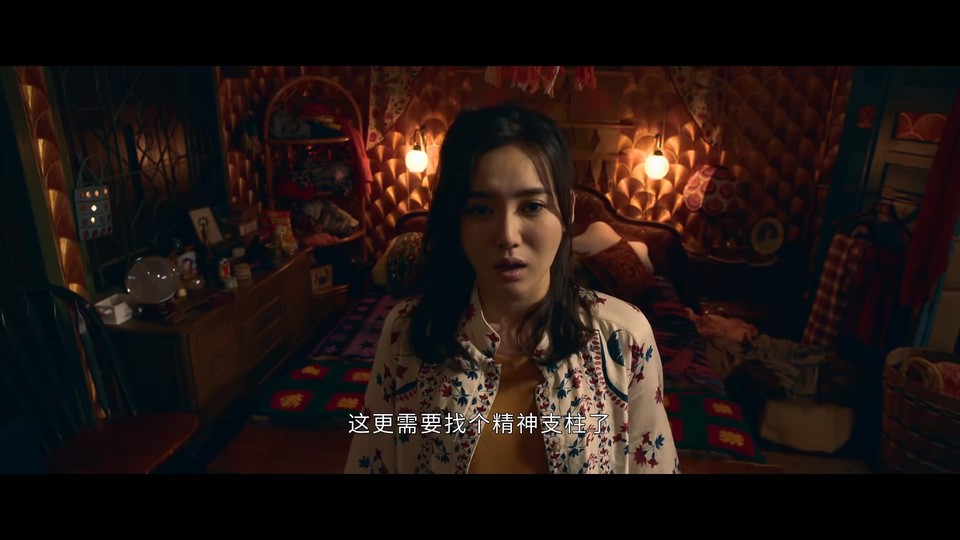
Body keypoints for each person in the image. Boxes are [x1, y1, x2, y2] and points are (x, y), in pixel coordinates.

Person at [344, 103, 678, 474]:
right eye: (481, 209)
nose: (507, 235)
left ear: (566, 211)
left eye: (532, 206)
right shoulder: (408, 331)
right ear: (457, 218)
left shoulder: (622, 337)